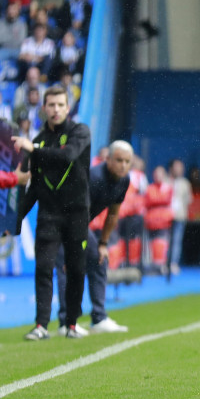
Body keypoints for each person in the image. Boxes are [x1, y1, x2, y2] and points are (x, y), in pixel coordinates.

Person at [13, 86, 91, 340]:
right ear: (44, 109)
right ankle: (41, 326)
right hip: (49, 214)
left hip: (77, 212)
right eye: (51, 105)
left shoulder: (80, 132)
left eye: (60, 105)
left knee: (76, 269)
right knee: (43, 268)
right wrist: (15, 220)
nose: (56, 109)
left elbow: (68, 157)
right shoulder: (38, 140)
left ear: (68, 108)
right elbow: (33, 187)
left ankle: (70, 323)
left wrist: (33, 150)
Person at [55, 140, 133, 335]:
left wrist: (103, 244)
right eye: (119, 160)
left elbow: (113, 213)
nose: (123, 165)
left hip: (79, 224)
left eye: (127, 161)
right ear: (108, 159)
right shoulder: (94, 178)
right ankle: (66, 323)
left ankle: (98, 318)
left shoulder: (124, 180)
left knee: (98, 259)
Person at [145, 166, 173, 273]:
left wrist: (156, 199)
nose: (158, 176)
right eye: (156, 174)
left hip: (164, 222)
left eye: (160, 174)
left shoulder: (167, 187)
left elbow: (166, 199)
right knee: (151, 244)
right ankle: (153, 267)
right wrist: (159, 199)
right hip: (151, 222)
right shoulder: (150, 188)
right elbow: (148, 200)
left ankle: (161, 267)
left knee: (162, 244)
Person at [168, 158, 191, 275]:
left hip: (180, 216)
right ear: (171, 168)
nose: (179, 170)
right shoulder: (166, 181)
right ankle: (164, 263)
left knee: (177, 240)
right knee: (165, 240)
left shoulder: (185, 183)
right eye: (177, 167)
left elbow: (188, 200)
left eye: (181, 167)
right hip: (165, 216)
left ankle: (173, 263)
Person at [183, 166, 200, 265]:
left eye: (197, 174)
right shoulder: (188, 186)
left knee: (199, 240)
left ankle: (196, 259)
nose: (195, 176)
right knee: (189, 240)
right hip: (189, 218)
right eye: (193, 174)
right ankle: (188, 260)